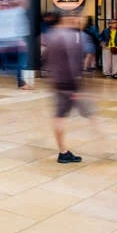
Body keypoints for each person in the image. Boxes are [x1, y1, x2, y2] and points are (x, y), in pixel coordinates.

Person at [44, 11, 89, 163]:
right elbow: (73, 63)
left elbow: (45, 58)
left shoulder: (52, 35)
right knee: (61, 118)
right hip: (67, 83)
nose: (81, 21)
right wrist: (76, 86)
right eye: (80, 18)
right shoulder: (71, 36)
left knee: (60, 117)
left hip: (58, 81)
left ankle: (63, 150)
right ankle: (63, 152)